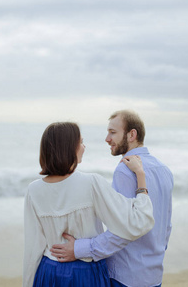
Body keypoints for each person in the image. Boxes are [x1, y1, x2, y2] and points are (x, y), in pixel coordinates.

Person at [23, 122, 155, 287]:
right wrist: (141, 180)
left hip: (48, 271)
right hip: (85, 273)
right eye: (81, 142)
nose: (84, 147)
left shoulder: (33, 190)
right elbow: (135, 223)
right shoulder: (91, 183)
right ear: (69, 148)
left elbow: (33, 248)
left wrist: (28, 282)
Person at [51, 110, 174, 287]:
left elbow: (123, 230)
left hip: (126, 276)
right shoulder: (164, 169)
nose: (107, 139)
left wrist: (79, 249)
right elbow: (166, 226)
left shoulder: (125, 170)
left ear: (132, 134)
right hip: (153, 276)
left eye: (113, 132)